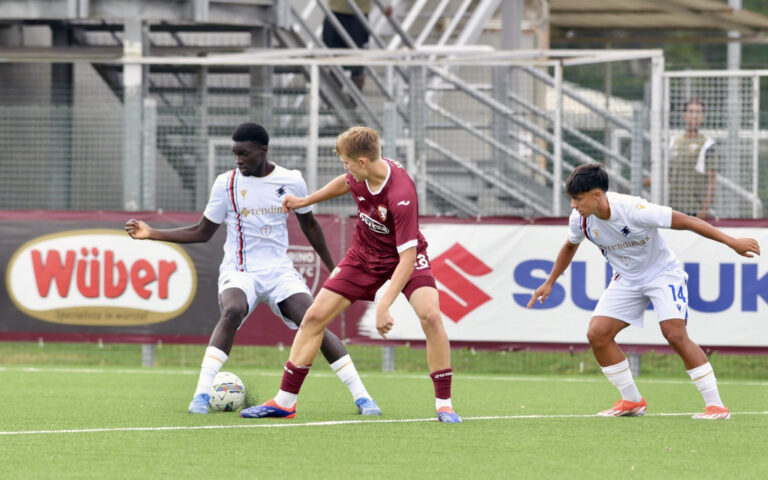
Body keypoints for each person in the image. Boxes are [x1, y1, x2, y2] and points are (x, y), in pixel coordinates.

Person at [124, 122, 380, 416]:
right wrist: (152, 233)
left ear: (262, 151)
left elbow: (309, 225)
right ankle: (200, 396)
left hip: (279, 271)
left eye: (244, 154)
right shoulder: (226, 183)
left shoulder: (291, 180)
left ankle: (363, 398)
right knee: (231, 311)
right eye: (235, 154)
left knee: (314, 320)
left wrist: (333, 267)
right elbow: (202, 231)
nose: (238, 160)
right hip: (240, 269)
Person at [239, 125, 462, 423]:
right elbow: (345, 183)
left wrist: (384, 304)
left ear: (362, 162)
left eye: (346, 162)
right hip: (362, 257)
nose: (344, 168)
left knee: (431, 317)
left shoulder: (401, 194)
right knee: (314, 318)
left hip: (403, 258)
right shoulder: (361, 174)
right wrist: (306, 202)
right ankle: (284, 402)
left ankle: (444, 404)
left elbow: (407, 257)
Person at [527, 163, 760, 420]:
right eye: (571, 199)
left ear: (597, 195)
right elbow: (570, 246)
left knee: (674, 333)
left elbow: (689, 222)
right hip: (626, 279)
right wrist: (550, 281)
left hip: (662, 274)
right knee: (598, 334)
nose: (573, 205)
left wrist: (732, 242)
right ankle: (632, 401)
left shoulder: (635, 209)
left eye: (577, 199)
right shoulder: (580, 220)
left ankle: (716, 406)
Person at [322, 1, 391, 91]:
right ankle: (334, 101)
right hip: (335, 12)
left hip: (359, 15)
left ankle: (354, 101)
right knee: (334, 66)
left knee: (358, 67)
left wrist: (386, 3)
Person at [668, 98, 717, 218]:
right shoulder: (674, 141)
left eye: (698, 112)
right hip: (673, 208)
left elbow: (712, 180)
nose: (694, 115)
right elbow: (667, 175)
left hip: (694, 209)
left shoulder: (707, 143)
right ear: (684, 115)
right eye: (690, 111)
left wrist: (703, 211)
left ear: (703, 117)